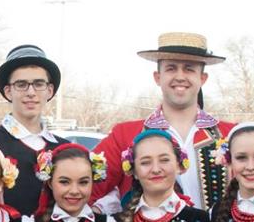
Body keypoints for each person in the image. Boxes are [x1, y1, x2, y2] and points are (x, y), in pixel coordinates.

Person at [91, 33, 235, 210]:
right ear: (157, 77)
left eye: (189, 68)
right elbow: (83, 187)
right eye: (171, 68)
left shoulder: (231, 135)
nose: (180, 76)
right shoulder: (124, 135)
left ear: (202, 78)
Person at [0, 43, 76, 214]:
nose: (30, 92)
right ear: (8, 91)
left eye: (38, 84)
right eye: (21, 84)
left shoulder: (65, 150)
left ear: (49, 90)